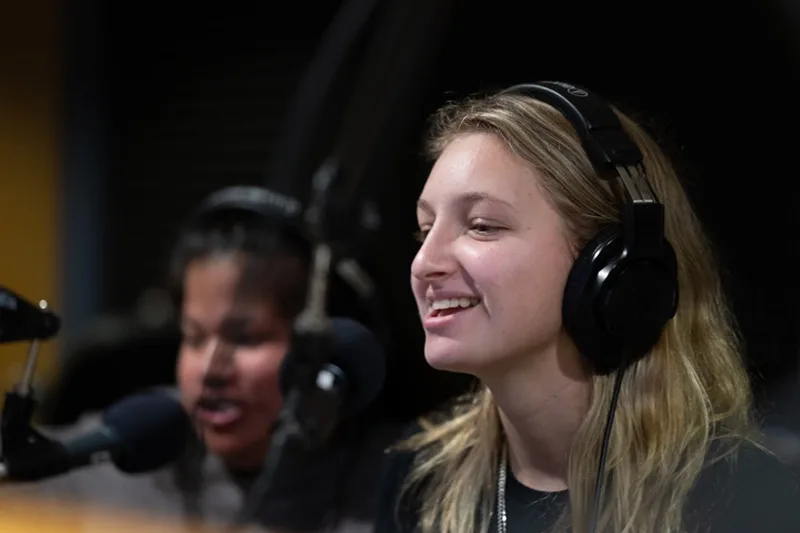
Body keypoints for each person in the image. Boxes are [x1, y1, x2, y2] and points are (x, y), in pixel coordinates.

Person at [374, 82, 800, 533]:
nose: (424, 264)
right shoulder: (419, 479)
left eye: (481, 226)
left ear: (617, 268)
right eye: (424, 231)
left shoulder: (741, 496)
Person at [5, 185, 401, 533]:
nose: (210, 369)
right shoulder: (124, 452)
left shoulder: (399, 488)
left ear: (330, 350)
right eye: (193, 338)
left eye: (245, 338)